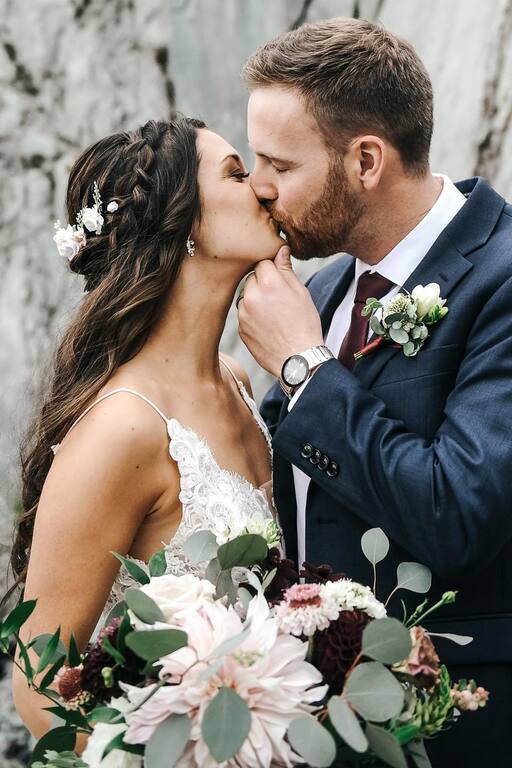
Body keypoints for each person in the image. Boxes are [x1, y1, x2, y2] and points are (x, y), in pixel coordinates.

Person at [237, 17, 512, 766]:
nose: (259, 186)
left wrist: (303, 370)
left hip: (465, 725)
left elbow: (456, 513)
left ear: (365, 160)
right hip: (317, 728)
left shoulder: (503, 278)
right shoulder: (323, 292)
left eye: (278, 163)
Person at [5, 117, 286, 745]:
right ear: (187, 224)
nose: (265, 189)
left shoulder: (236, 381)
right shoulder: (125, 428)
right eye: (237, 174)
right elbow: (38, 684)